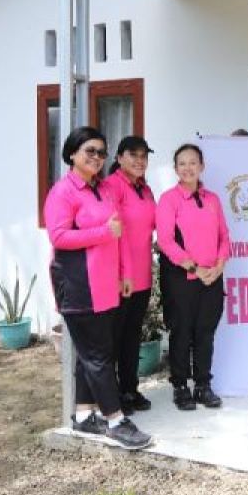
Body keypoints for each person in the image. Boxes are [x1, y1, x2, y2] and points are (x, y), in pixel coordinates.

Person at [44, 126, 152, 450]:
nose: (96, 157)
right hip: (78, 285)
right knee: (98, 355)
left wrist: (124, 273)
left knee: (91, 354)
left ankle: (81, 415)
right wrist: (103, 232)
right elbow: (59, 237)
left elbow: (118, 237)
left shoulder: (103, 190)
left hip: (106, 285)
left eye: (101, 152)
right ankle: (115, 420)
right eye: (89, 151)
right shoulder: (62, 192)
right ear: (72, 153)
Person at [156, 143, 231, 411]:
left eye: (193, 162)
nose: (188, 168)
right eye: (182, 163)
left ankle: (202, 385)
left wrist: (220, 266)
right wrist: (194, 268)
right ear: (176, 169)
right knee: (182, 332)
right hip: (182, 278)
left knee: (205, 332)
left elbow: (224, 236)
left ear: (202, 166)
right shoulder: (168, 199)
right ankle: (180, 386)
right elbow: (165, 240)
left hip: (212, 277)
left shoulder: (212, 199)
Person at [104, 135, 157, 415]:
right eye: (133, 155)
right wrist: (120, 274)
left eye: (144, 156)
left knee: (132, 337)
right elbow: (114, 234)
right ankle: (111, 396)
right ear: (119, 158)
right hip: (119, 277)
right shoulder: (111, 187)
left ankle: (129, 389)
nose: (139, 160)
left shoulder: (144, 189)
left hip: (142, 276)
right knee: (114, 338)